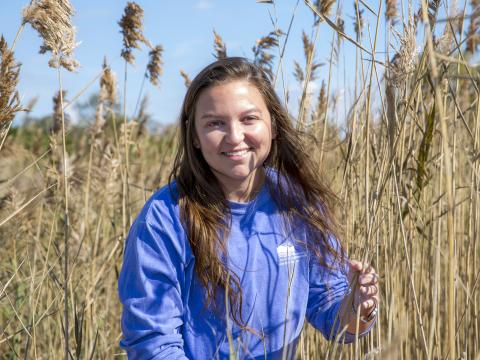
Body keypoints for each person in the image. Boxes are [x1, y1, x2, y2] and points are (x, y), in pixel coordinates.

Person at [118, 57, 379, 359]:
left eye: (248, 119)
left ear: (274, 125)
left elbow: (332, 313)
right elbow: (153, 342)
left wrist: (358, 307)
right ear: (195, 137)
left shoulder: (298, 204)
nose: (235, 136)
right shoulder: (165, 219)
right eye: (215, 123)